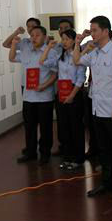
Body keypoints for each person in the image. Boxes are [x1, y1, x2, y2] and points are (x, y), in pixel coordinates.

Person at [73, 16, 112, 203]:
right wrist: (78, 43)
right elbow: (77, 60)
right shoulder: (94, 52)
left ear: (106, 31)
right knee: (103, 150)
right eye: (91, 30)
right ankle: (106, 183)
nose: (92, 33)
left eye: (95, 30)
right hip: (97, 109)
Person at [9, 26, 58, 165]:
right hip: (28, 96)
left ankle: (45, 153)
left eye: (37, 35)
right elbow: (12, 58)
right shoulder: (26, 51)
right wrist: (14, 44)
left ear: (44, 37)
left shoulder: (51, 52)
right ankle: (30, 152)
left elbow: (55, 74)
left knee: (45, 127)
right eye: (32, 35)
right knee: (29, 127)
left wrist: (44, 86)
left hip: (44, 97)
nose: (33, 38)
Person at [40, 29, 87, 170]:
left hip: (74, 92)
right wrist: (48, 47)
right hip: (61, 92)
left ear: (74, 40)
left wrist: (72, 95)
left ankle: (78, 158)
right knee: (64, 127)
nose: (64, 42)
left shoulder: (78, 56)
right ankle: (67, 157)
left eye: (67, 39)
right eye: (63, 39)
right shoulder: (60, 56)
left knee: (76, 127)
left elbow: (81, 78)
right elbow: (42, 61)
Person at [52, 19, 74, 157]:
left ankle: (74, 152)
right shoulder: (57, 48)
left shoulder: (78, 48)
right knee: (62, 122)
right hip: (60, 89)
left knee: (73, 123)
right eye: (60, 28)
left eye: (66, 28)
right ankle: (64, 148)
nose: (62, 30)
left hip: (73, 90)